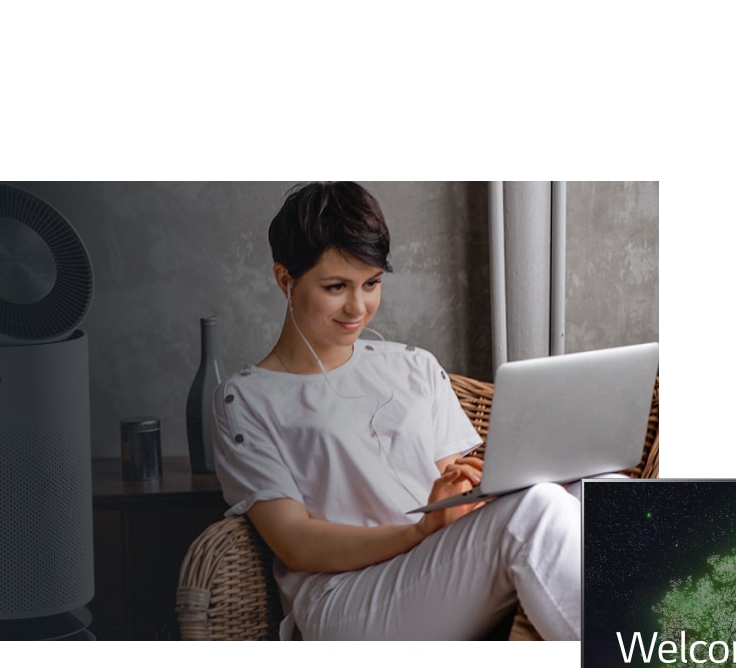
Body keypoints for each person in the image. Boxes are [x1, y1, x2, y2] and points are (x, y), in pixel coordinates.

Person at [211, 182, 582, 640]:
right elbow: (294, 541)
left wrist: (475, 491)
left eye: (371, 284)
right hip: (347, 597)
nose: (358, 306)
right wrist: (416, 532)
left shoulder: (414, 365)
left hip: (436, 568)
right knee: (540, 511)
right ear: (285, 279)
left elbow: (458, 483)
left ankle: (675, 662)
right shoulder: (247, 400)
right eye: (336, 287)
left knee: (599, 491)